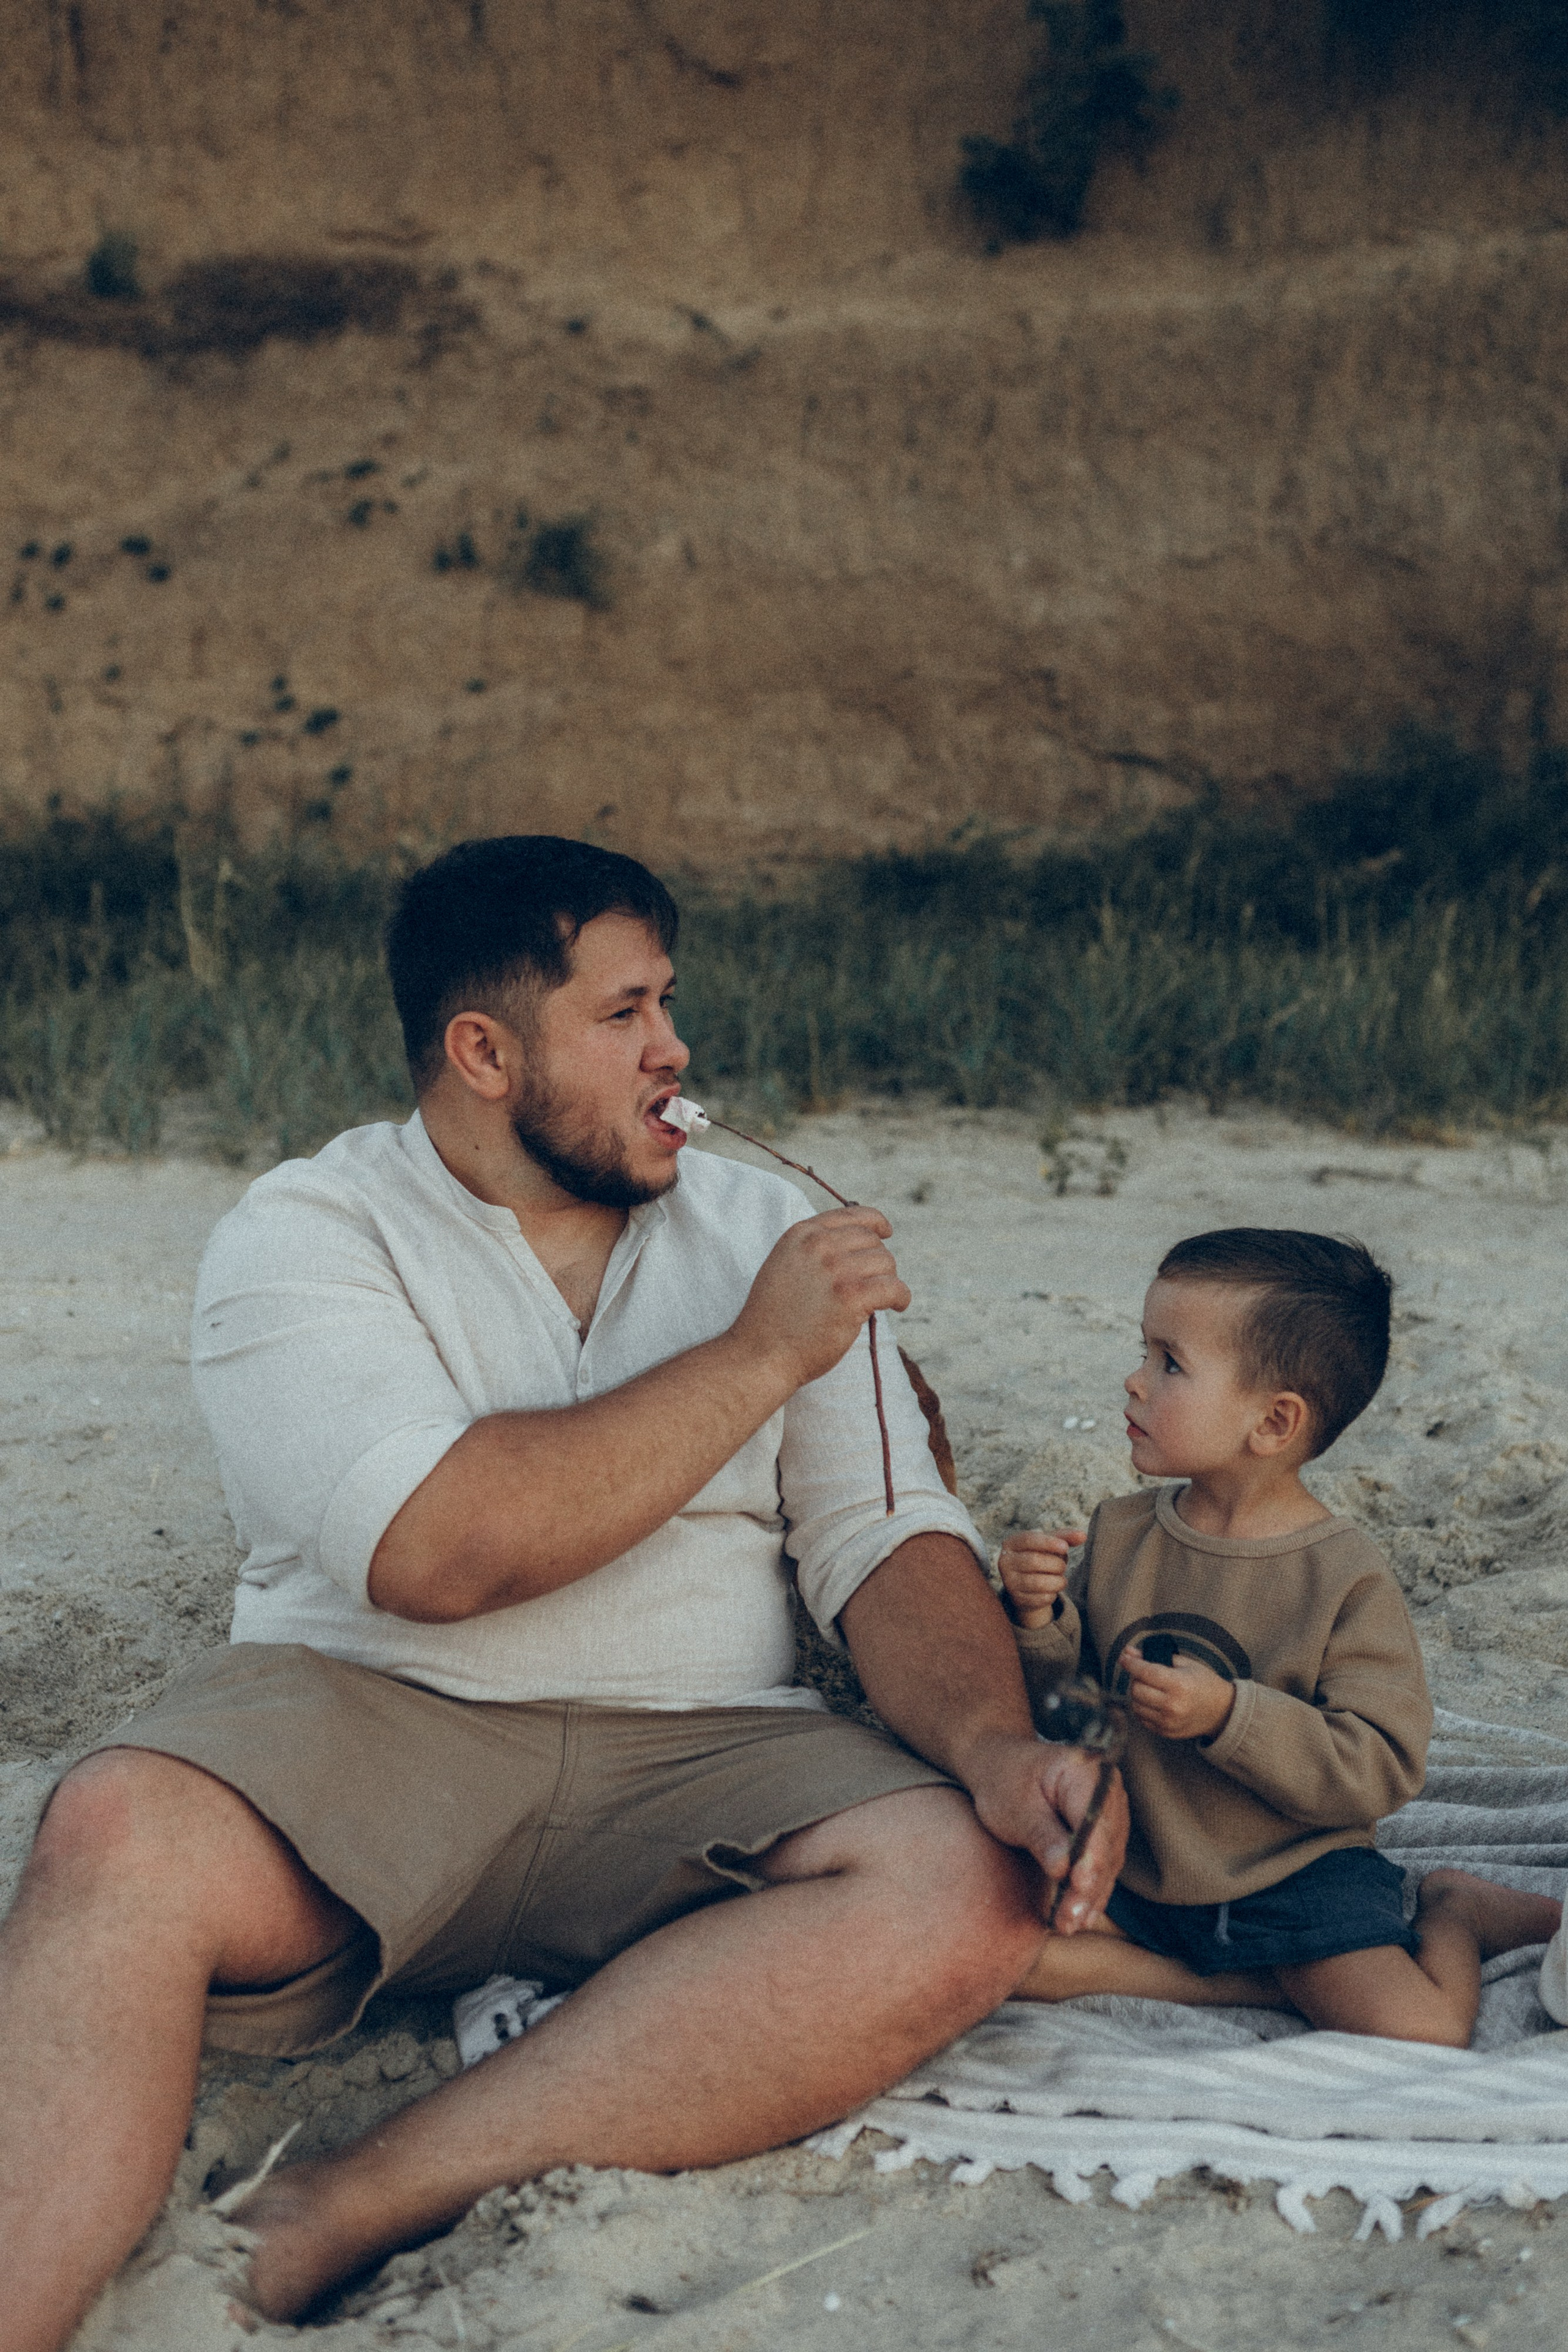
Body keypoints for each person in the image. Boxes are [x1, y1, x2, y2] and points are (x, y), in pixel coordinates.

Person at [0, 834, 1126, 2352]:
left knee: (965, 1883)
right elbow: (438, 1552)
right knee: (117, 1827)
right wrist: (755, 1355)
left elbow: (884, 1538)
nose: (674, 1051)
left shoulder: (758, 1226)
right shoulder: (304, 1232)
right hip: (369, 1720)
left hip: (699, 1747)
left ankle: (346, 2201)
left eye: (666, 1005)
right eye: (623, 1014)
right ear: (483, 1052)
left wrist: (995, 1753)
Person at [998, 1227, 1561, 2043]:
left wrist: (1232, 1716)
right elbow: (1069, 1709)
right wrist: (1038, 1618)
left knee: (1422, 2027)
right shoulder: (1120, 1535)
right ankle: (1257, 1987)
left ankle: (1457, 1910)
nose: (1134, 1380)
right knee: (1010, 1957)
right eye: (1144, 1351)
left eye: (1170, 1363)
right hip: (1145, 1858)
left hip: (1288, 1875)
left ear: (1273, 1422)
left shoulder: (1344, 1577)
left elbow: (1382, 1766)